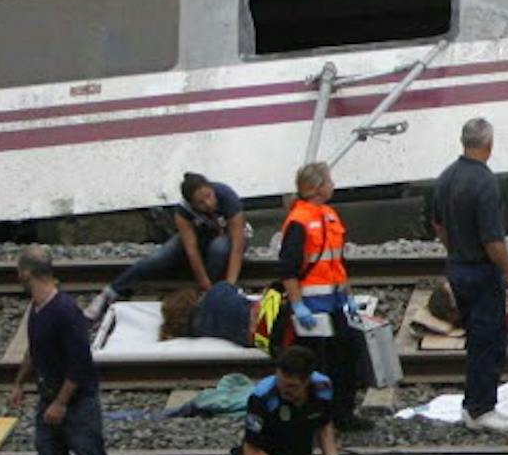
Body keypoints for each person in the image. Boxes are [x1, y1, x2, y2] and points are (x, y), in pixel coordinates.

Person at [10, 246, 144, 455]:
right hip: (48, 400)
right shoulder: (38, 307)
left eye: (19, 270)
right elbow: (34, 351)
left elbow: (80, 364)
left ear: (27, 273)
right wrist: (19, 383)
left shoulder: (65, 311)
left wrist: (60, 403)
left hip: (76, 404)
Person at [429, 119, 508, 433]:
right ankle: (481, 408)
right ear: (489, 144)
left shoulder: (446, 177)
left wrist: (454, 248)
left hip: (457, 266)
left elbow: (437, 225)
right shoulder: (485, 182)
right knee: (489, 341)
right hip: (481, 271)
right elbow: (492, 240)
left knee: (475, 339)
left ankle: (475, 404)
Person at [82, 173, 247, 324]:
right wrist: (204, 283)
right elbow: (191, 250)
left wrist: (230, 285)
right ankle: (110, 292)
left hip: (227, 239)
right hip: (201, 237)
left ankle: (212, 292)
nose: (208, 203)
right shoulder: (183, 211)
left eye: (209, 196)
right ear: (191, 204)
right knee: (158, 257)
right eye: (201, 203)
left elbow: (237, 246)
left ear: (211, 188)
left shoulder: (227, 196)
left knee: (219, 248)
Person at [278, 161, 367, 432]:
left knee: (345, 358)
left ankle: (342, 413)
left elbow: (336, 263)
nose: (333, 185)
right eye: (329, 181)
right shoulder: (300, 221)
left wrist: (348, 296)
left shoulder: (328, 215)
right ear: (316, 188)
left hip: (334, 303)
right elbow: (288, 269)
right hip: (312, 308)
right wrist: (297, 306)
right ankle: (318, 417)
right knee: (317, 364)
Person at [157, 281, 261, 347]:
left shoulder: (197, 330)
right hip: (258, 314)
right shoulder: (216, 291)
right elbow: (235, 290)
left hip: (249, 337)